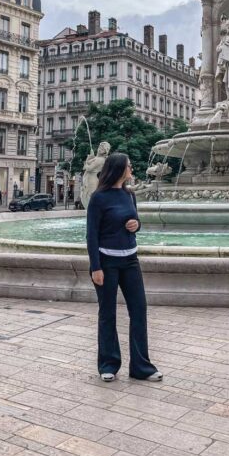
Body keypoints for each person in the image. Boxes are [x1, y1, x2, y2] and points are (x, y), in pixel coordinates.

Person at [85, 152, 161, 383]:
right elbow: (91, 236)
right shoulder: (99, 198)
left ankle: (141, 367)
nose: (132, 169)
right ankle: (108, 364)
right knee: (107, 314)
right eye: (129, 166)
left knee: (139, 311)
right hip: (106, 262)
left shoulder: (129, 195)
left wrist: (136, 225)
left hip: (130, 261)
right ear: (118, 169)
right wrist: (95, 267)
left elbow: (135, 222)